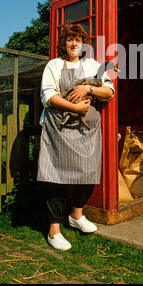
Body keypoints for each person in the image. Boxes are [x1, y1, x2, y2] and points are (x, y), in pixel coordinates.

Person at [37, 23, 115, 250]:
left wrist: (88, 89)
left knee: (87, 172)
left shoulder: (93, 65)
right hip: (59, 128)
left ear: (83, 44)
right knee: (56, 176)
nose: (74, 44)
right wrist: (75, 108)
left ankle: (76, 216)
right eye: (70, 39)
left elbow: (109, 91)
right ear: (64, 43)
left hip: (85, 130)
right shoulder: (54, 64)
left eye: (78, 40)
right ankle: (54, 230)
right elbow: (48, 96)